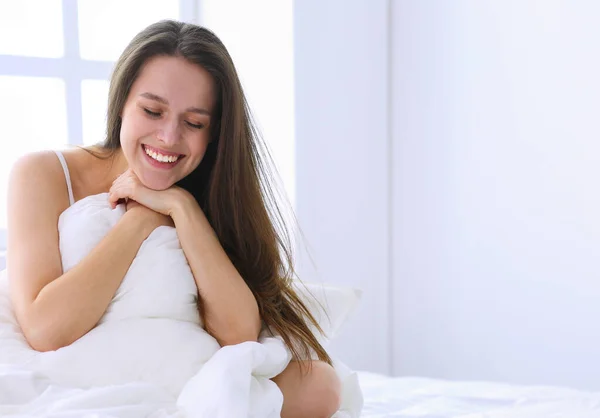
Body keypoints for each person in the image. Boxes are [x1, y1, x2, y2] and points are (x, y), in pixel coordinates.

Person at [7, 20, 341, 418]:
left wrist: (182, 209)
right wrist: (141, 220)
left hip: (186, 378)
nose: (168, 137)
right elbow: (46, 330)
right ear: (121, 104)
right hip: (82, 375)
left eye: (194, 123)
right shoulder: (43, 173)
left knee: (321, 384)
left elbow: (237, 335)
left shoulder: (210, 193)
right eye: (152, 110)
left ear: (214, 132)